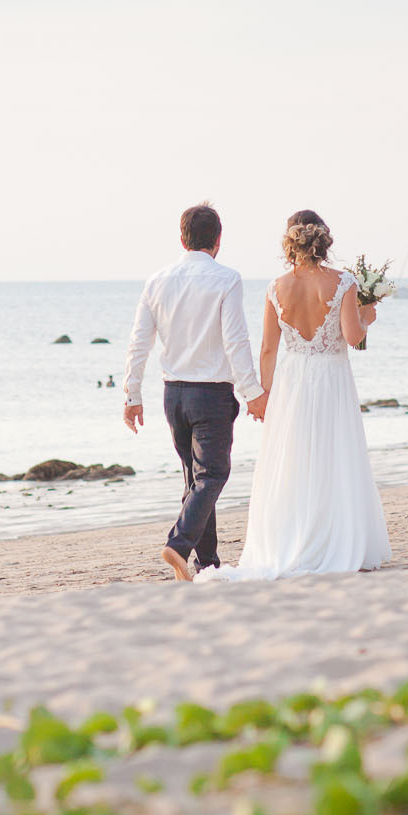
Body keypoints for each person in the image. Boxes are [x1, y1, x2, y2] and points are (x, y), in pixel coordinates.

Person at [204, 210, 389, 581]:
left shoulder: (275, 287)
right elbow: (353, 337)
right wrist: (367, 315)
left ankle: (291, 540)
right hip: (332, 379)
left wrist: (264, 395)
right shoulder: (344, 282)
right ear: (323, 240)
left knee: (293, 460)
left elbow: (268, 349)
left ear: (291, 243)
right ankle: (335, 539)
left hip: (292, 383)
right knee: (334, 456)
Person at [121, 203, 266, 581]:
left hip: (173, 395)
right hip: (211, 395)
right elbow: (236, 340)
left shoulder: (157, 280)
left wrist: (132, 395)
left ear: (182, 239)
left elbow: (139, 342)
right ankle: (179, 544)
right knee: (212, 475)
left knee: (195, 481)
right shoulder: (227, 279)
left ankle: (207, 563)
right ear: (218, 239)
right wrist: (252, 391)